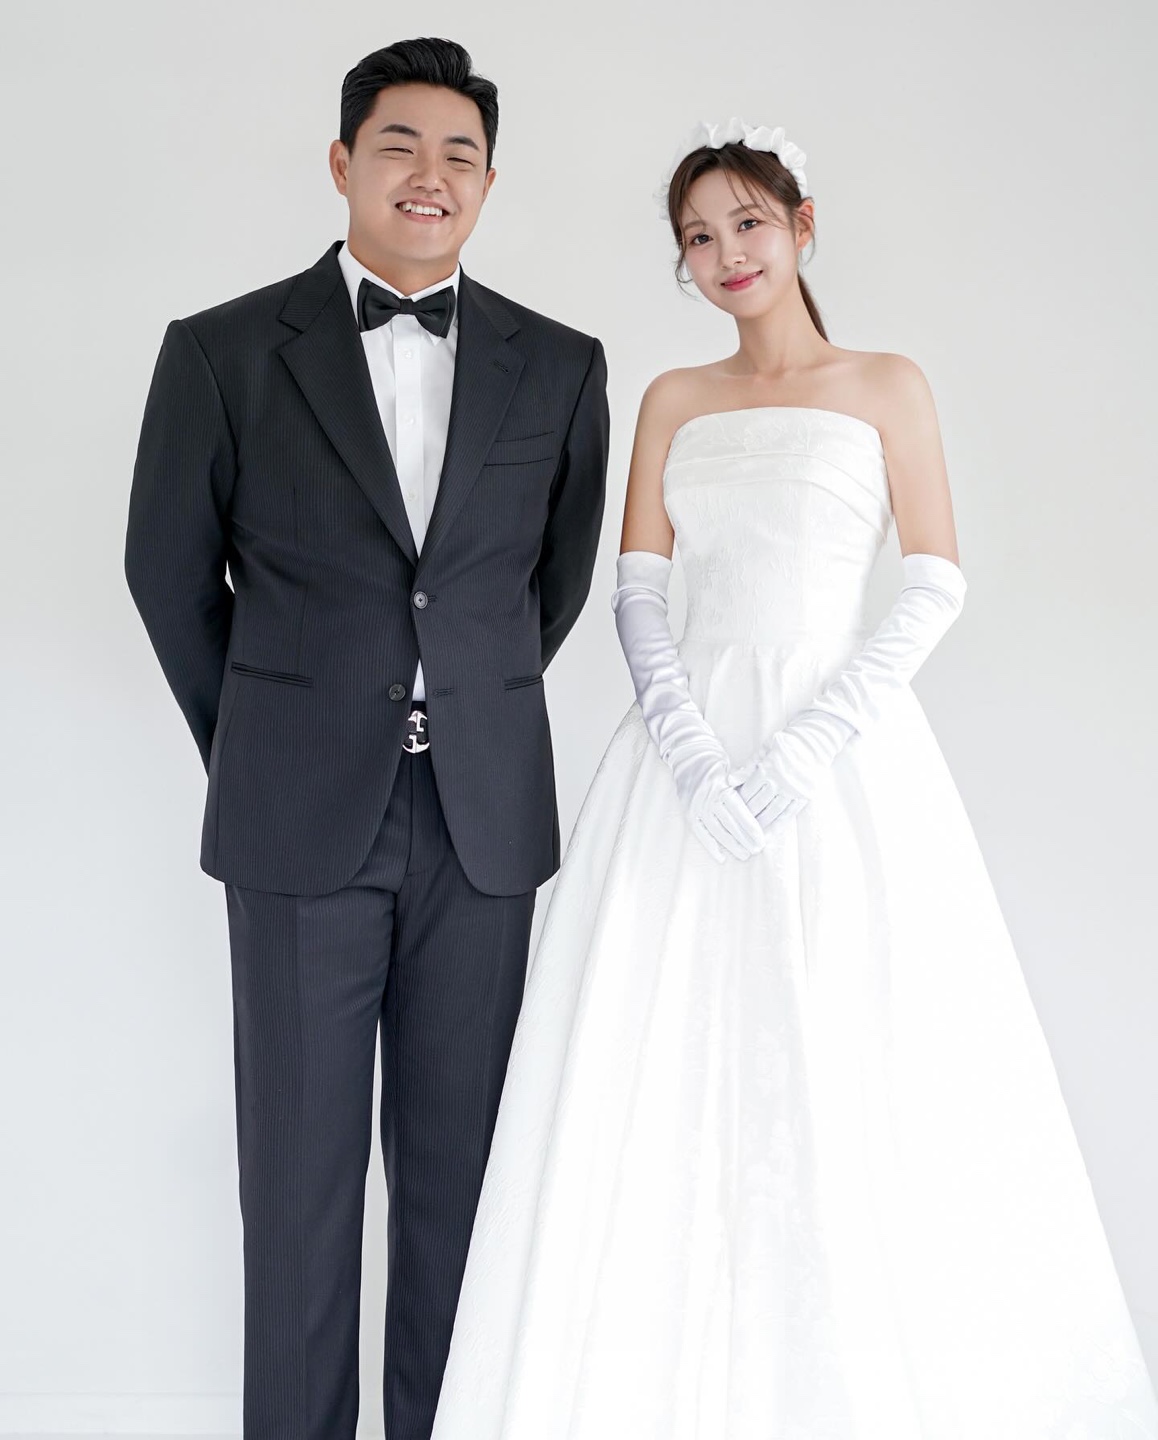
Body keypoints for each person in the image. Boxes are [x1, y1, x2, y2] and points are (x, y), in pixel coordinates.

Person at [429, 118, 1158, 1438]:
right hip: (683, 764)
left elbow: (933, 580)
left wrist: (814, 744)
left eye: (748, 223)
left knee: (847, 1044)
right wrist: (685, 741)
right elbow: (637, 589)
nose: (727, 254)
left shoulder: (886, 385)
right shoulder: (673, 399)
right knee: (652, 1058)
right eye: (698, 239)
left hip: (839, 753)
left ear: (802, 225)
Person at [124, 37, 608, 1440]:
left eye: (461, 154)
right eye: (400, 145)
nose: (429, 174)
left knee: (463, 1191)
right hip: (296, 820)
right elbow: (167, 575)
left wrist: (453, 713)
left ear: (489, 183)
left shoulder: (561, 364)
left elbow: (548, 587)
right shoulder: (221, 351)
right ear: (343, 163)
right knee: (297, 1188)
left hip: (481, 824)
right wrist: (272, 739)